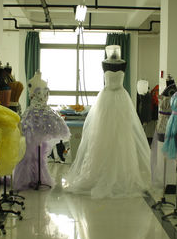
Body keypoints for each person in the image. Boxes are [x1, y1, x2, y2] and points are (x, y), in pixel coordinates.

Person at [64, 45, 151, 198]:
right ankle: (99, 173)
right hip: (106, 100)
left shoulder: (123, 63)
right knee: (102, 135)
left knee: (122, 136)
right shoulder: (104, 63)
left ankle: (122, 174)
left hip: (121, 100)